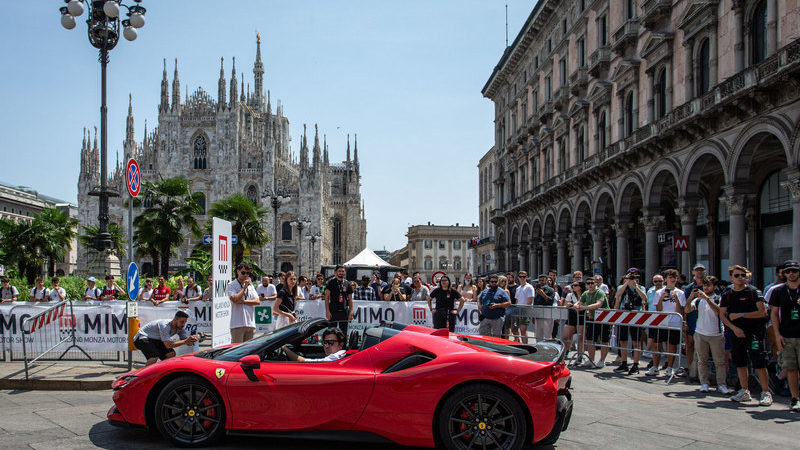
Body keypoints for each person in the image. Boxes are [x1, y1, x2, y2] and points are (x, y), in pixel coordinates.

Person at [720, 264, 771, 405]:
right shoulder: (727, 294)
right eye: (737, 275)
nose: (740, 278)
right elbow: (722, 314)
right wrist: (733, 328)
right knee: (740, 361)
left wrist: (742, 314)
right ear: (731, 277)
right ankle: (744, 390)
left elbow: (762, 312)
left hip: (754, 332)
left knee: (759, 361)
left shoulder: (753, 292)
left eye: (743, 275)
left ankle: (765, 392)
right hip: (737, 333)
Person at [686, 276, 730, 395]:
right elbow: (687, 310)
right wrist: (690, 298)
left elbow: (719, 311)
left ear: (714, 287)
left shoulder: (718, 298)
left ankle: (722, 384)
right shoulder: (698, 300)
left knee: (719, 361)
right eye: (704, 285)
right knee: (702, 360)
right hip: (700, 333)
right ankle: (704, 382)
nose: (705, 288)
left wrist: (706, 298)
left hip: (716, 334)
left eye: (708, 285)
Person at [769, 260, 800, 411]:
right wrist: (777, 334)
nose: (791, 274)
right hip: (786, 335)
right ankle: (795, 398)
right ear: (784, 274)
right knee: (791, 368)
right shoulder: (778, 291)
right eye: (788, 271)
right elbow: (774, 314)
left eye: (794, 270)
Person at [649, 269, 686, 378]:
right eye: (670, 277)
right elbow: (658, 309)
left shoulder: (680, 293)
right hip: (661, 322)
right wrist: (661, 298)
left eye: (674, 277)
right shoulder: (659, 292)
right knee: (656, 345)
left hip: (674, 322)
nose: (672, 279)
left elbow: (680, 310)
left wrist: (676, 299)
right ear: (666, 279)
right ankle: (655, 367)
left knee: (671, 346)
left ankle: (670, 367)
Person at [133, 310, 199, 366]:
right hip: (142, 337)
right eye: (182, 322)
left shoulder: (180, 328)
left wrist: (192, 340)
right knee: (153, 357)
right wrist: (186, 341)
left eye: (185, 322)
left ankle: (158, 371)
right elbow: (168, 345)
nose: (183, 324)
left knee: (171, 354)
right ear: (175, 320)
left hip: (156, 340)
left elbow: (188, 343)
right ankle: (144, 377)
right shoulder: (165, 325)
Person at [613, 270, 647, 375]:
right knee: (623, 340)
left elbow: (644, 298)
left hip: (636, 316)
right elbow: (618, 295)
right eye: (631, 277)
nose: (633, 279)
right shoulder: (622, 287)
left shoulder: (641, 288)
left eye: (635, 277)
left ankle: (635, 364)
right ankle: (624, 362)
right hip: (624, 315)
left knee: (636, 342)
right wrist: (627, 282)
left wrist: (635, 286)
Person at [682, 263, 708, 379]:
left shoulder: (709, 286)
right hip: (692, 319)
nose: (699, 272)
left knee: (704, 348)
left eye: (701, 270)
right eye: (697, 270)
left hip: (706, 320)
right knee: (690, 345)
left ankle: (704, 373)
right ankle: (691, 370)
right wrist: (685, 322)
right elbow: (685, 306)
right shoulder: (688, 288)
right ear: (693, 272)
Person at [577, 277, 610, 368]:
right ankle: (591, 359)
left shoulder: (600, 292)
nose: (590, 285)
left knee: (604, 340)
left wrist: (584, 308)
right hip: (592, 319)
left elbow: (598, 304)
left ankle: (602, 360)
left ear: (596, 284)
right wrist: (576, 305)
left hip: (604, 319)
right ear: (586, 285)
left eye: (592, 283)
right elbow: (579, 302)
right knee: (590, 339)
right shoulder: (585, 293)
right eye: (588, 283)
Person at [227, 262, 260, 343]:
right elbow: (234, 299)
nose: (245, 275)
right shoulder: (232, 285)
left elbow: (257, 301)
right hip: (237, 324)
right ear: (238, 271)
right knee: (237, 351)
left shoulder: (251, 285)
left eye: (247, 273)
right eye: (243, 272)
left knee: (248, 351)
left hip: (250, 323)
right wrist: (244, 288)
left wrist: (242, 301)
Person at [282, 327, 347, 362]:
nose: (326, 346)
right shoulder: (341, 354)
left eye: (331, 342)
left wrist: (284, 348)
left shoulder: (335, 357)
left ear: (340, 345)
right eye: (325, 342)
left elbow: (303, 361)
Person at [562, 280, 586, 364]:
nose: (573, 287)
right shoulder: (570, 295)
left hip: (582, 317)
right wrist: (568, 305)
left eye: (575, 285)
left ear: (580, 287)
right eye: (573, 285)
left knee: (580, 337)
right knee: (566, 336)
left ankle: (580, 355)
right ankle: (565, 352)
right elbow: (565, 304)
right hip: (572, 316)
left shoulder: (585, 295)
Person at [325, 265, 354, 335]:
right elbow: (326, 298)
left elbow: (350, 299)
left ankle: (342, 346)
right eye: (339, 271)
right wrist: (327, 311)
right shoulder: (331, 282)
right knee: (331, 332)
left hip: (344, 312)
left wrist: (351, 312)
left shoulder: (347, 284)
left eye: (342, 271)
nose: (341, 273)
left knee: (343, 333)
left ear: (345, 272)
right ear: (336, 272)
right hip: (333, 312)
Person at [533, 274, 555, 342]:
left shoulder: (550, 290)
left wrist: (543, 294)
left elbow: (550, 301)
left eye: (543, 280)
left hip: (547, 315)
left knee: (547, 335)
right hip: (538, 315)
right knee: (538, 335)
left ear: (546, 281)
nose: (541, 282)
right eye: (540, 280)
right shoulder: (536, 290)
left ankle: (548, 349)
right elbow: (535, 303)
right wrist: (533, 315)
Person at [514, 273, 535, 343]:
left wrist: (523, 313)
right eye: (520, 277)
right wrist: (516, 312)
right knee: (518, 330)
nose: (522, 278)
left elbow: (530, 301)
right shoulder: (518, 288)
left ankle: (525, 345)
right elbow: (517, 301)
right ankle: (522, 344)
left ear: (526, 277)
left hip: (526, 311)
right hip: (518, 311)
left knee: (523, 330)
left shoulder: (529, 287)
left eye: (524, 277)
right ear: (518, 278)